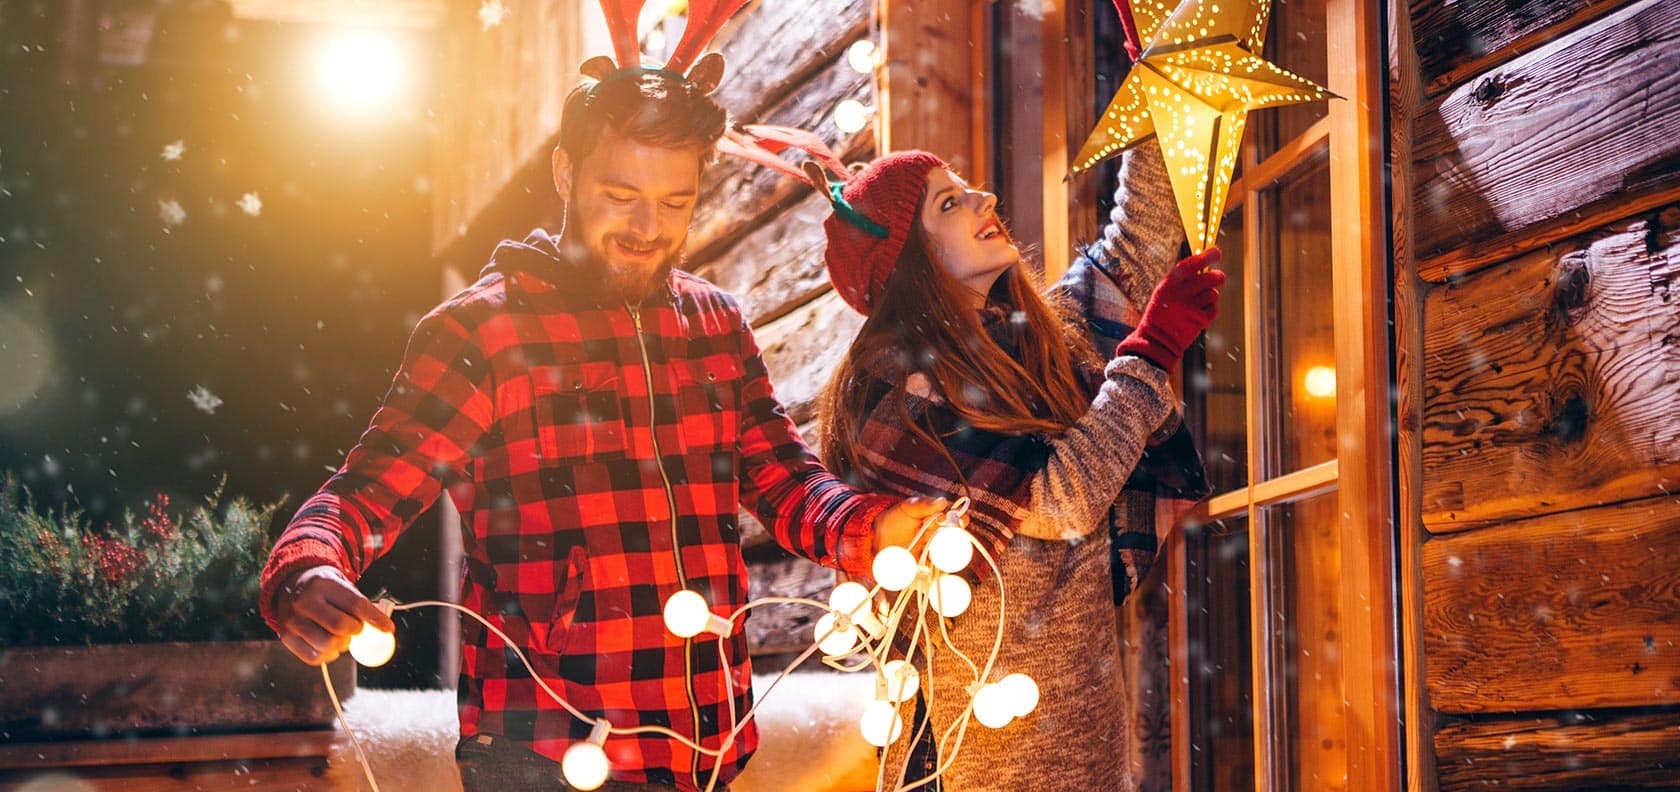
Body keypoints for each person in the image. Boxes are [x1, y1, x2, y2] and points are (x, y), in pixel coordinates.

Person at [257, 59, 947, 792]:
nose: (648, 229)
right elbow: (362, 493)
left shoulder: (716, 324)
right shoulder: (484, 332)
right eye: (621, 196)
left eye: (675, 202)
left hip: (705, 746)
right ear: (564, 174)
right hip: (544, 755)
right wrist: (306, 568)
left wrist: (875, 531)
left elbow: (786, 481)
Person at [814, 142, 1222, 790]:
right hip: (976, 770)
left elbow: (1138, 243)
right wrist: (1149, 355)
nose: (987, 199)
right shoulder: (889, 394)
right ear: (908, 266)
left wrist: (1159, 85)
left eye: (970, 186)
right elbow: (1062, 499)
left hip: (1091, 756)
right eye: (951, 202)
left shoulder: (1031, 346)